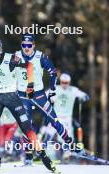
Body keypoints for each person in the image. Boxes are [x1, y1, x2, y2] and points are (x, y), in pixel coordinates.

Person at [0, 38, 56, 172]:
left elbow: (30, 66)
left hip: (11, 97)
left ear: (0, 51)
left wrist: (30, 85)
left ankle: (44, 157)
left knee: (27, 128)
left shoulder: (11, 59)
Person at [15, 34, 76, 164]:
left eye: (29, 45)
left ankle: (69, 143)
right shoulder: (16, 56)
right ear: (21, 45)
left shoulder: (40, 56)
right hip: (22, 95)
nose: (26, 48)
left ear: (33, 45)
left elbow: (53, 72)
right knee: (26, 125)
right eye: (24, 45)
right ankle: (28, 156)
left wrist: (53, 90)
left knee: (53, 119)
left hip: (38, 94)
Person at [42, 73, 89, 159]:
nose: (64, 84)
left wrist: (84, 97)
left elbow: (84, 95)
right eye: (63, 82)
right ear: (60, 81)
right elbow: (44, 95)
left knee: (67, 136)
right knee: (49, 133)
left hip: (67, 117)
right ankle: (41, 152)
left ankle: (66, 153)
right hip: (55, 116)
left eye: (66, 82)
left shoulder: (73, 90)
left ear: (69, 82)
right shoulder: (55, 89)